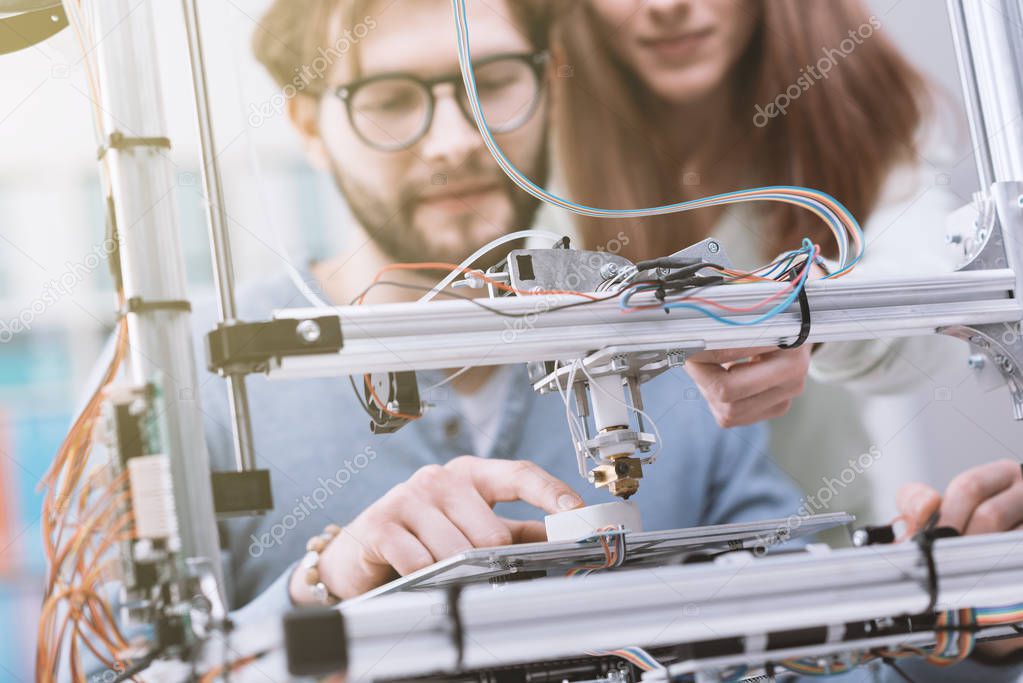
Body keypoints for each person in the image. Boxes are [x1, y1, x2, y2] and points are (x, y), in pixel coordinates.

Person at [551, 0, 970, 530]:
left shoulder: (856, 99)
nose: (666, 7)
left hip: (820, 560)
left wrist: (810, 314)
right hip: (608, 573)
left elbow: (940, 316)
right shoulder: (527, 126)